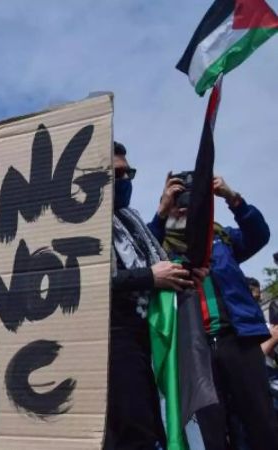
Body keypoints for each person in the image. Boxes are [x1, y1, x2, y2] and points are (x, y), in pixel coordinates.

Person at [149, 172, 277, 449]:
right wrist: (162, 210)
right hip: (195, 351)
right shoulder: (158, 249)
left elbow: (259, 235)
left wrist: (232, 197)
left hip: (238, 340)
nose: (183, 208)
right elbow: (140, 259)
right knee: (211, 432)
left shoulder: (221, 238)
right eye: (177, 202)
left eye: (191, 202)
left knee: (262, 422)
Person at [105, 142, 193, 449]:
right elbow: (90, 276)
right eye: (117, 173)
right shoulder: (83, 221)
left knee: (151, 425)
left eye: (129, 172)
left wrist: (163, 211)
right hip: (112, 339)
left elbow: (141, 254)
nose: (125, 179)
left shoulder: (130, 219)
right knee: (132, 430)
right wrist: (151, 278)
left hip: (144, 333)